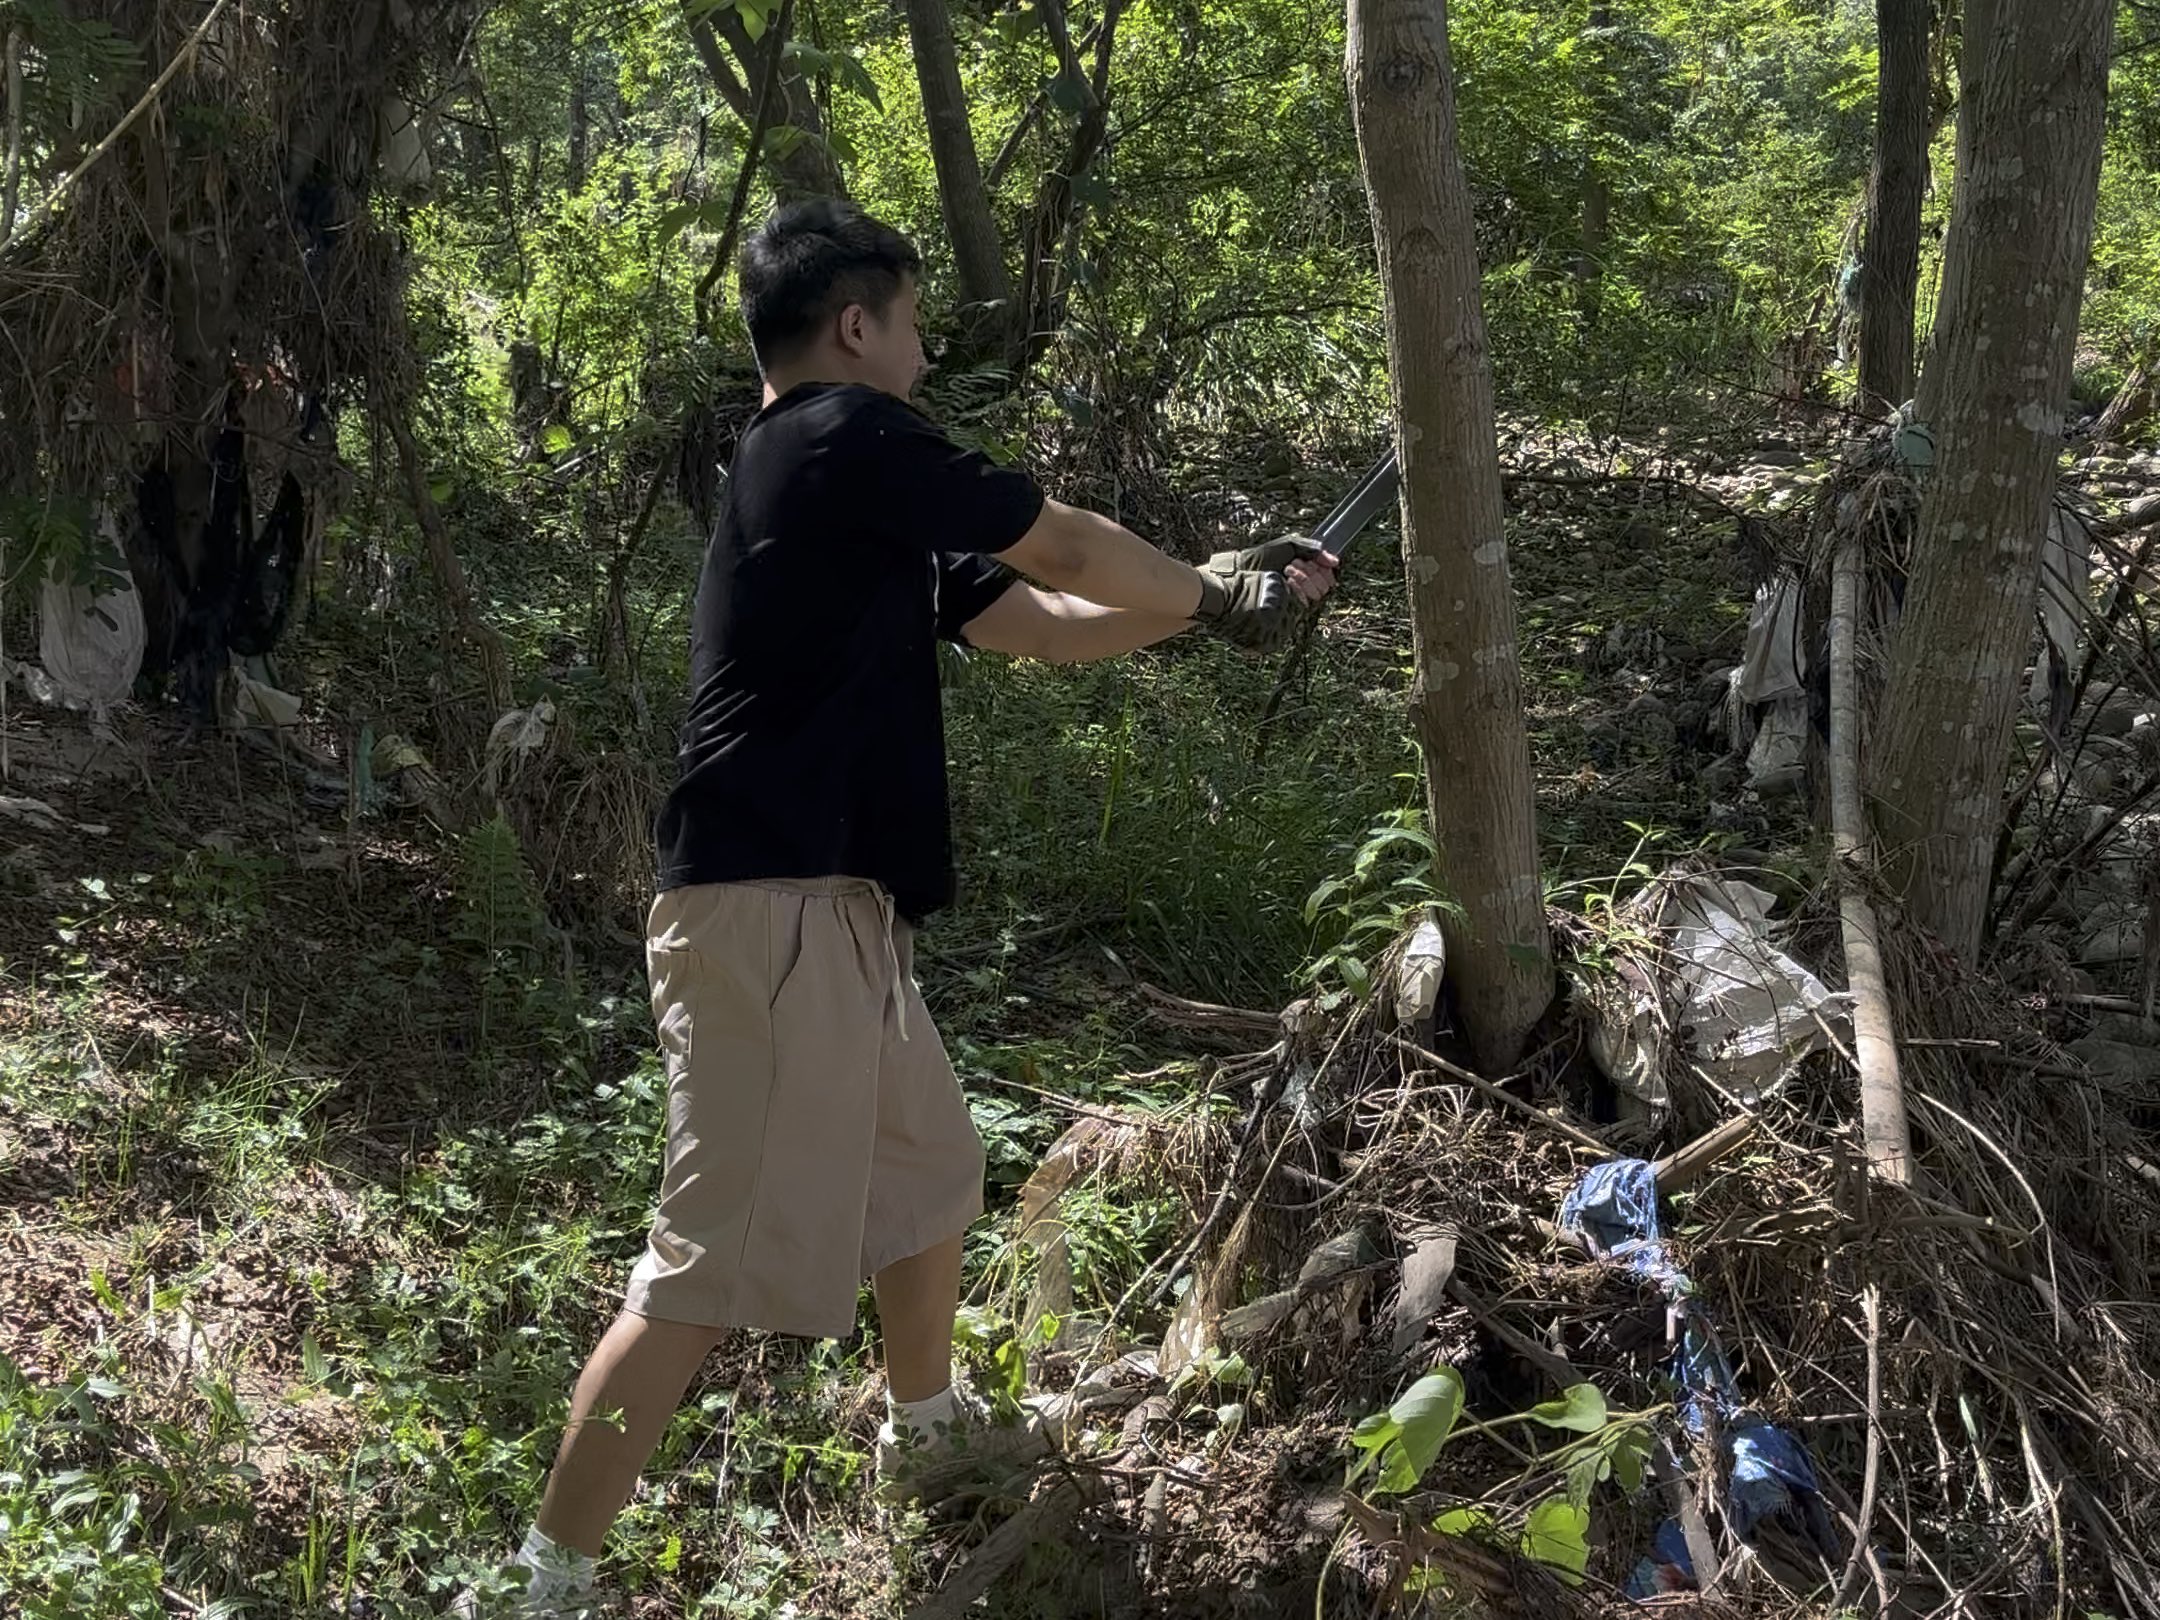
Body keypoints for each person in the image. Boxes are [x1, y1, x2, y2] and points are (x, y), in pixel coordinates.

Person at [454, 198, 1335, 1617]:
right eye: (915, 327)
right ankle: (537, 1586)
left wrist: (1219, 603)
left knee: (928, 1170)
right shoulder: (837, 437)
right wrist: (1211, 588)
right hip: (768, 909)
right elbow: (1067, 546)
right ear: (854, 327)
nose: (923, 358)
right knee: (701, 1272)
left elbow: (1039, 624)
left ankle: (923, 1437)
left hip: (832, 912)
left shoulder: (839, 489)